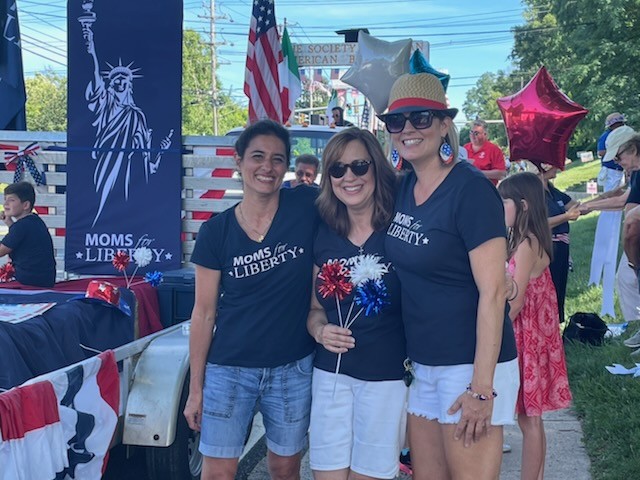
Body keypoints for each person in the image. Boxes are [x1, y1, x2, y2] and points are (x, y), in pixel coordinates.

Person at [381, 73, 519, 480]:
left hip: (469, 365)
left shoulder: (470, 190)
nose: (407, 128)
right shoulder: (404, 187)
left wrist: (481, 387)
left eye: (421, 118)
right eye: (396, 121)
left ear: (444, 125)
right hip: (423, 363)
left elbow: (494, 292)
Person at [184, 120, 318, 480]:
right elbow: (204, 313)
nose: (267, 167)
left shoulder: (306, 206)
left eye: (277, 159)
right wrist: (196, 389)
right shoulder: (216, 231)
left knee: (285, 469)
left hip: (292, 367)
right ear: (238, 161)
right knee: (217, 472)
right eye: (257, 156)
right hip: (229, 370)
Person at [307, 128, 407, 480]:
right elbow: (314, 310)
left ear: (376, 168)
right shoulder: (324, 232)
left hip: (385, 378)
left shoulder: (399, 229)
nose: (349, 177)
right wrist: (320, 331)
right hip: (331, 377)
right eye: (338, 169)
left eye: (359, 166)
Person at [498, 172, 572, 480]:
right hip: (537, 337)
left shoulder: (526, 245)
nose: (499, 208)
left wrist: (494, 333)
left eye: (504, 202)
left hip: (526, 338)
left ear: (523, 205)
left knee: (529, 421)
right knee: (533, 419)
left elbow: (516, 301)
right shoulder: (530, 239)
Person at [588, 124, 634, 317]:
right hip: (635, 235)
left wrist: (588, 206)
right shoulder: (635, 171)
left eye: (618, 157)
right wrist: (601, 198)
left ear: (633, 149)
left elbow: (622, 202)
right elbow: (626, 194)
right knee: (625, 279)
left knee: (626, 279)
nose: (617, 162)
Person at [538, 163, 582, 322]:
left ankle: (557, 326)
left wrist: (604, 198)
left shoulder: (552, 190)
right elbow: (538, 223)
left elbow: (575, 206)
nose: (558, 167)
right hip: (548, 247)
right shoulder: (535, 193)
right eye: (553, 164)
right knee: (550, 291)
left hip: (561, 247)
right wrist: (566, 216)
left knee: (559, 290)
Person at [0, 181, 56, 288]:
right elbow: (17, 237)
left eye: (11, 200)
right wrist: (8, 221)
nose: (5, 204)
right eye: (5, 199)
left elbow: (1, 251)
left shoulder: (21, 226)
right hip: (44, 280)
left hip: (28, 280)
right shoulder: (34, 221)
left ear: (25, 205)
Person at [463, 118, 506, 185]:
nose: (472, 136)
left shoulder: (494, 150)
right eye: (471, 132)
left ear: (485, 134)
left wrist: (477, 173)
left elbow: (501, 174)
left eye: (476, 133)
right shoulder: (465, 148)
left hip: (486, 188)